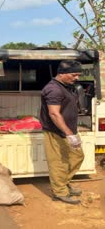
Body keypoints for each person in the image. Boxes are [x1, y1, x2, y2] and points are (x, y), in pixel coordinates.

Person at [40, 60, 84, 205]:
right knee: (58, 162)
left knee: (76, 157)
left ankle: (63, 182)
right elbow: (54, 114)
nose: (76, 78)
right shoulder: (54, 89)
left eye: (78, 75)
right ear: (62, 74)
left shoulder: (67, 86)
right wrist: (69, 134)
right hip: (56, 132)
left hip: (68, 130)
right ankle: (59, 192)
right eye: (74, 74)